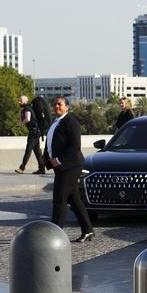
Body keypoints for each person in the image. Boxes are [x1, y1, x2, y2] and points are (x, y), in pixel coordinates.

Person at [43, 96, 94, 243]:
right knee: (74, 199)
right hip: (61, 167)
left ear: (67, 107)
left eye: (60, 104)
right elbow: (51, 142)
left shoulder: (71, 122)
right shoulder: (56, 121)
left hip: (70, 166)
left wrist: (58, 160)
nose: (56, 106)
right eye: (55, 104)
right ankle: (88, 230)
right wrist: (46, 159)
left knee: (59, 199)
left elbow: (75, 146)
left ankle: (54, 234)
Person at [14, 95, 46, 174]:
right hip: (36, 131)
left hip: (34, 132)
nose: (19, 102)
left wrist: (21, 123)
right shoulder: (29, 108)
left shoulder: (27, 109)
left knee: (28, 150)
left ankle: (22, 168)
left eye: (20, 101)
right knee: (37, 151)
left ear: (25, 102)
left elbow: (28, 118)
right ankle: (42, 169)